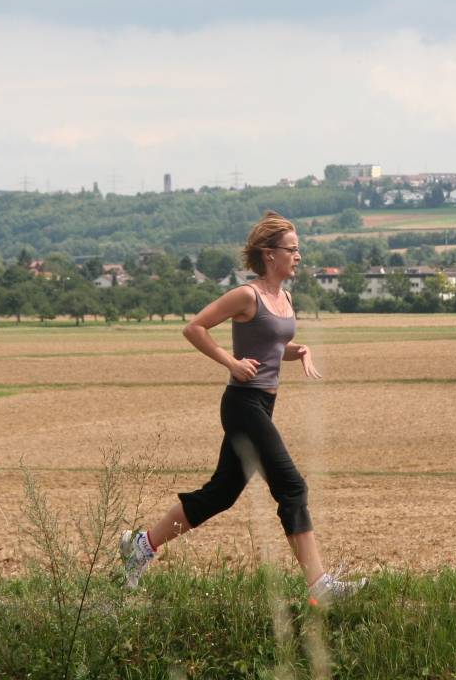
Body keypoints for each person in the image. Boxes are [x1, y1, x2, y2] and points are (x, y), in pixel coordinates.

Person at [121, 210, 365, 604]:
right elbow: (194, 328)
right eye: (293, 249)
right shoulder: (246, 295)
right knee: (292, 486)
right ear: (270, 254)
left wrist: (297, 350)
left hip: (263, 405)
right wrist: (230, 362)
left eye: (299, 248)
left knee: (221, 493)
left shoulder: (284, 297)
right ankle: (319, 584)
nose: (299, 255)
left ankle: (141, 546)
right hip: (242, 404)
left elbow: (269, 348)